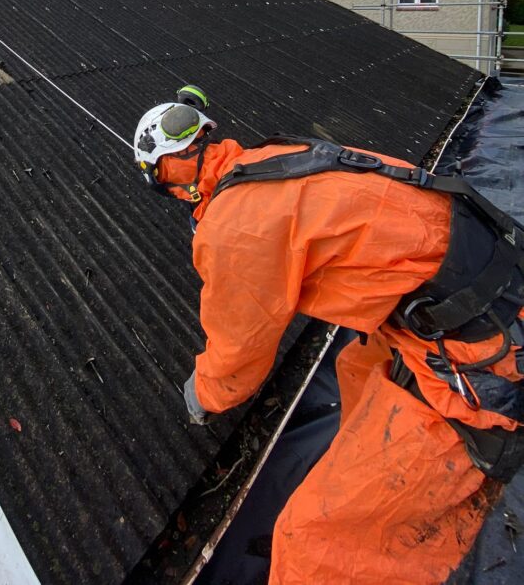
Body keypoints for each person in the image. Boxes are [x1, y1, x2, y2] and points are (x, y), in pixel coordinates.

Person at [134, 87, 524, 585]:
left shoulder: (233, 227)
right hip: (488, 284)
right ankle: (360, 464)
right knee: (356, 366)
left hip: (483, 365)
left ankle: (374, 512)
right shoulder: (280, 157)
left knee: (310, 544)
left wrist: (204, 394)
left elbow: (238, 353)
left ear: (168, 175)